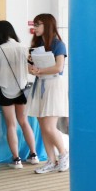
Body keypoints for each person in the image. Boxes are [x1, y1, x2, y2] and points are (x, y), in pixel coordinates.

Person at [0, 20, 39, 168]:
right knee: (24, 122)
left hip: (5, 90)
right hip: (21, 90)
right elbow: (31, 69)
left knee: (11, 124)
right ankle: (34, 155)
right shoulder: (24, 48)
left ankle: (16, 160)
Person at [27, 14, 69, 174]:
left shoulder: (58, 44)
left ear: (47, 25)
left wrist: (40, 70)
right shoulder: (36, 44)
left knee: (49, 126)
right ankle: (51, 160)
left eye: (38, 24)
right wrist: (32, 69)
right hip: (40, 85)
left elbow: (59, 67)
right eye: (34, 24)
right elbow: (30, 67)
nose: (35, 28)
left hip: (53, 85)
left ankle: (64, 154)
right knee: (43, 127)